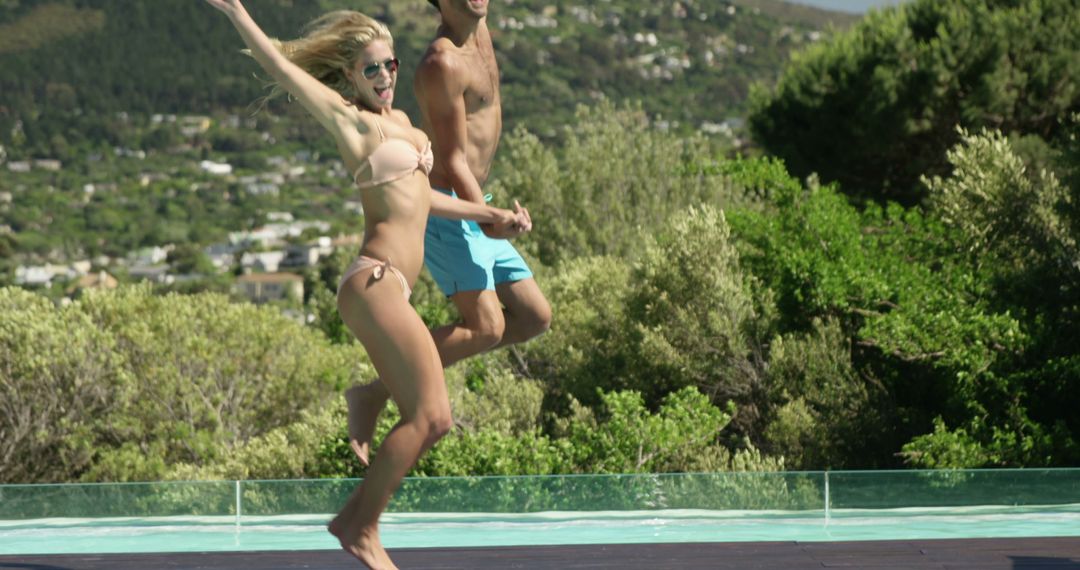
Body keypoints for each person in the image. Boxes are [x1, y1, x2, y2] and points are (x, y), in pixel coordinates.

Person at [203, 2, 531, 568]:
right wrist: (237, 12)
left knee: (432, 417)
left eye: (390, 65)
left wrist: (488, 214)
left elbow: (422, 198)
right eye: (371, 69)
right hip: (373, 282)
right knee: (432, 417)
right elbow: (283, 69)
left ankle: (357, 515)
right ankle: (360, 527)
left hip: (393, 286)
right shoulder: (354, 123)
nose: (384, 77)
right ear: (351, 76)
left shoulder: (402, 125)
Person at [345, 0, 552, 467]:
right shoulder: (442, 64)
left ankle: (382, 389)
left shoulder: (481, 33)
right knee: (486, 327)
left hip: (478, 201)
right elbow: (454, 159)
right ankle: (375, 393)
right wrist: (488, 216)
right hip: (451, 212)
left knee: (535, 317)